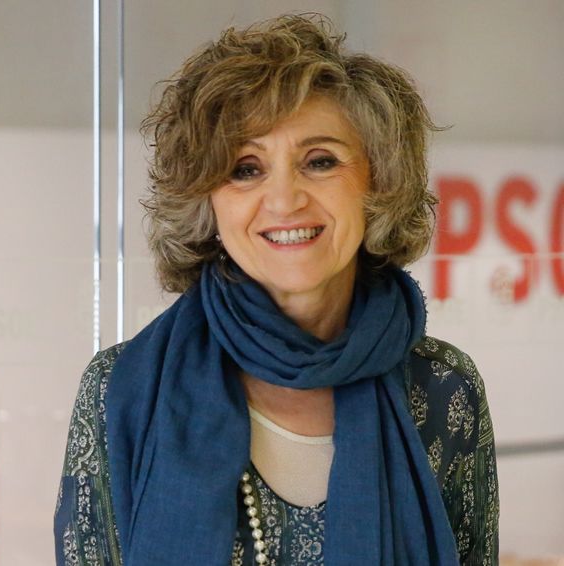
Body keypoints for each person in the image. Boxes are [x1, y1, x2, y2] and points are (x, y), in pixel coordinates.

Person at [53, 14, 498, 566]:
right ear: (206, 200)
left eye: (320, 161)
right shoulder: (120, 390)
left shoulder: (444, 390)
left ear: (379, 181)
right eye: (245, 169)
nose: (285, 200)